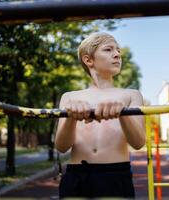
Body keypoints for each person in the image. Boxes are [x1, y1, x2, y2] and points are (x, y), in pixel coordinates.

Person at [55, 32, 145, 199]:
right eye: (108, 49)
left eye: (118, 51)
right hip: (76, 175)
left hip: (116, 175)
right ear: (88, 60)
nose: (117, 54)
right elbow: (61, 147)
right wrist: (70, 118)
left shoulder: (131, 95)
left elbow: (138, 143)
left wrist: (122, 113)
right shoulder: (70, 97)